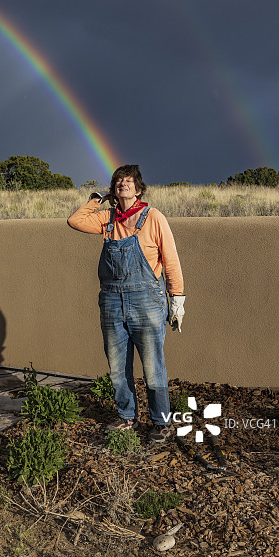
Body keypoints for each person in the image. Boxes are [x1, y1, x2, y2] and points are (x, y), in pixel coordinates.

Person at [67, 164, 185, 443]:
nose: (123, 184)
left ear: (139, 189)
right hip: (111, 300)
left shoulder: (153, 217)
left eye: (129, 181)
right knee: (118, 366)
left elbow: (171, 259)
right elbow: (75, 220)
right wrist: (96, 199)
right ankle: (126, 417)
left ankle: (160, 422)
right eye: (118, 181)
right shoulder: (107, 217)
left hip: (146, 300)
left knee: (153, 365)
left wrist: (177, 298)